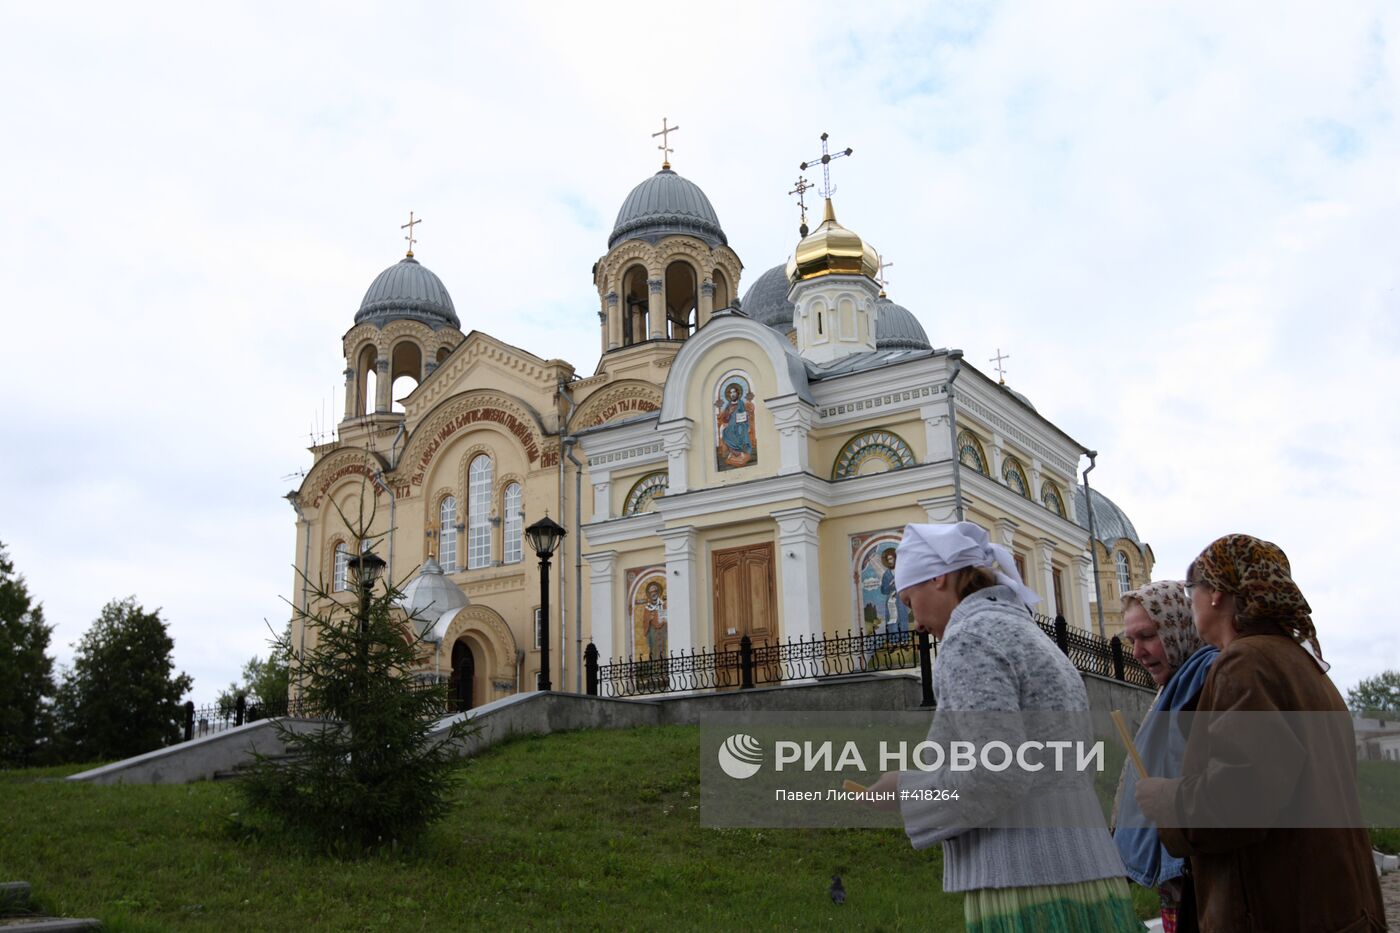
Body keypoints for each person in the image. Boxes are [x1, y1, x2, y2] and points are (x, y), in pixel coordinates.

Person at [864, 521, 1139, 932]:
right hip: (1087, 870)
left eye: (909, 599)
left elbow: (997, 775)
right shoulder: (1029, 633)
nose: (914, 622)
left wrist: (906, 791)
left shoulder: (970, 638)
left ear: (938, 577)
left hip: (1025, 881)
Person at [1134, 534, 1386, 932]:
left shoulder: (1247, 663)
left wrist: (1166, 799)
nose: (1191, 600)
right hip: (1334, 904)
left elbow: (1240, 801)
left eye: (1191, 589)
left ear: (1215, 592)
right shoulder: (1304, 664)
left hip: (1282, 909)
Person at [1111, 581, 1218, 933]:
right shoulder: (1173, 687)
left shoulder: (1208, 678)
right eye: (1132, 641)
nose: (1138, 651)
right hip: (1179, 867)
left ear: (1177, 627)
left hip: (1204, 869)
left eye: (1147, 636)